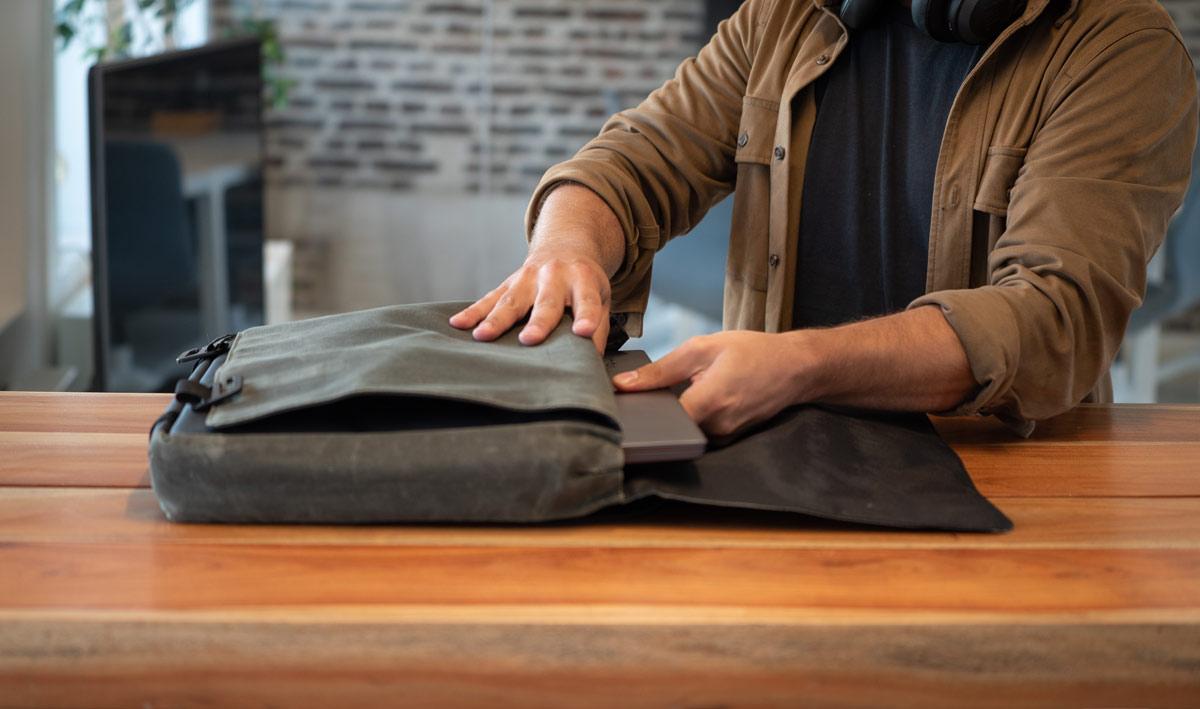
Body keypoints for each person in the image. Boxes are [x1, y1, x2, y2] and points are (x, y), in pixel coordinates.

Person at [450, 0, 1198, 437]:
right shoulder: (781, 17)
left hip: (1000, 474)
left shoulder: (1122, 47)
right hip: (770, 447)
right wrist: (566, 242)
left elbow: (1052, 317)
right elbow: (634, 158)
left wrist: (804, 364)